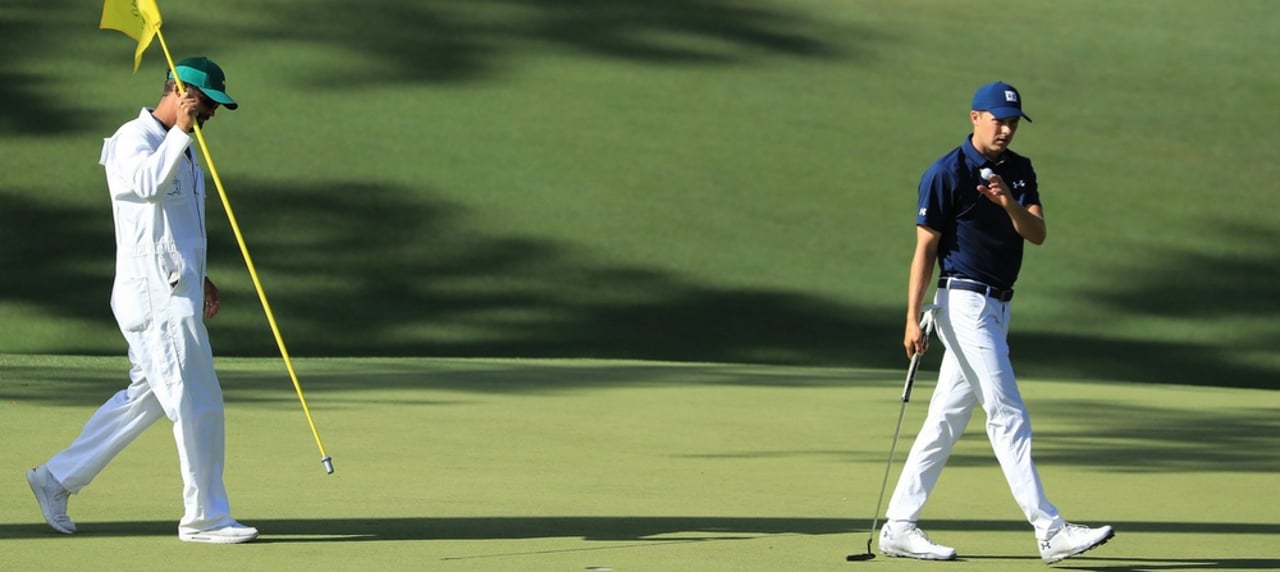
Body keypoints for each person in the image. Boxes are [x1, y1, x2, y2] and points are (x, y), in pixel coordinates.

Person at [876, 81, 1113, 564]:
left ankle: (898, 526)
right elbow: (925, 249)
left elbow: (1038, 233)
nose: (1005, 128)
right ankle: (1050, 530)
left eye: (1013, 121)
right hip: (961, 304)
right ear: (974, 117)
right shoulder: (946, 172)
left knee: (945, 420)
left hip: (999, 307)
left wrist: (1007, 201)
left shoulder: (1019, 170)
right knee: (1007, 414)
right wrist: (910, 317)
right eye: (997, 119)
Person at [26, 56, 258, 544]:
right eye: (207, 102)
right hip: (154, 299)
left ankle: (55, 478)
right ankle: (205, 519)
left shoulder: (185, 149)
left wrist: (203, 276)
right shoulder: (134, 139)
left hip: (176, 290)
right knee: (197, 402)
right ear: (179, 92)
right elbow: (147, 186)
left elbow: (168, 229)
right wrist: (183, 133)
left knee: (147, 400)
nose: (212, 113)